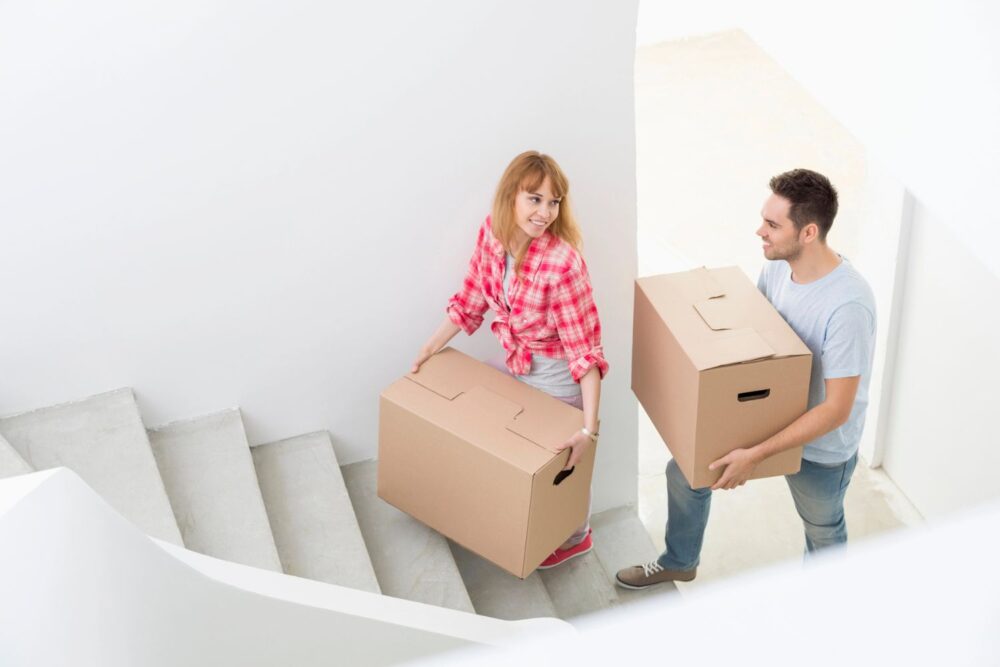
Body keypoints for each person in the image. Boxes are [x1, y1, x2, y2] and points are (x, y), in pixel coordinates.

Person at [616, 168, 877, 588]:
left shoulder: (848, 305)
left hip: (822, 444)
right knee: (684, 472)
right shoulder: (777, 267)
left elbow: (836, 409)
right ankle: (679, 560)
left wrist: (754, 455)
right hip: (770, 412)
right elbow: (758, 345)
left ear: (809, 232)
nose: (760, 232)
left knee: (823, 530)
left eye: (773, 225)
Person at [411, 150, 608, 570]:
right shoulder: (493, 235)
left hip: (558, 383)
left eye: (553, 202)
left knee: (562, 465)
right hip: (519, 370)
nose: (545, 213)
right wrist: (428, 350)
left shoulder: (563, 264)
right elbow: (471, 299)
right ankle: (526, 526)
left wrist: (588, 430)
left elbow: (585, 353)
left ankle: (577, 536)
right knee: (515, 459)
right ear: (511, 197)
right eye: (534, 199)